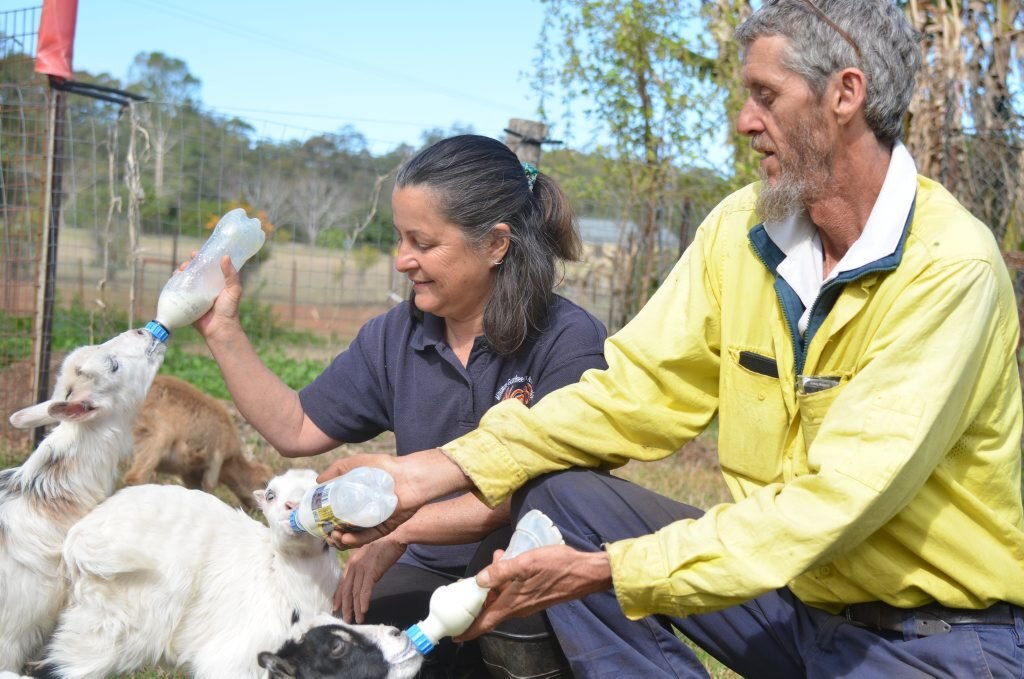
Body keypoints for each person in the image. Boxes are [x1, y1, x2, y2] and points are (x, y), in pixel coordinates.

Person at [320, 2, 1024, 677]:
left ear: (844, 95)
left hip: (932, 639)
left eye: (765, 96)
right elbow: (632, 392)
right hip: (796, 601)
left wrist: (608, 571)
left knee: (603, 551)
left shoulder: (947, 267)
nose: (745, 122)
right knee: (564, 501)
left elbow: (832, 506)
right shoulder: (741, 233)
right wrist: (426, 472)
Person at [193, 134, 608, 677]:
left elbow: (544, 496)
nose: (402, 260)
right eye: (399, 238)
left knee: (513, 607)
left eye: (423, 242)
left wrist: (398, 530)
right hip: (427, 567)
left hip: (534, 566)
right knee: (348, 649)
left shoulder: (567, 339)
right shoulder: (397, 335)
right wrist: (222, 330)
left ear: (496, 244)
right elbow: (295, 427)